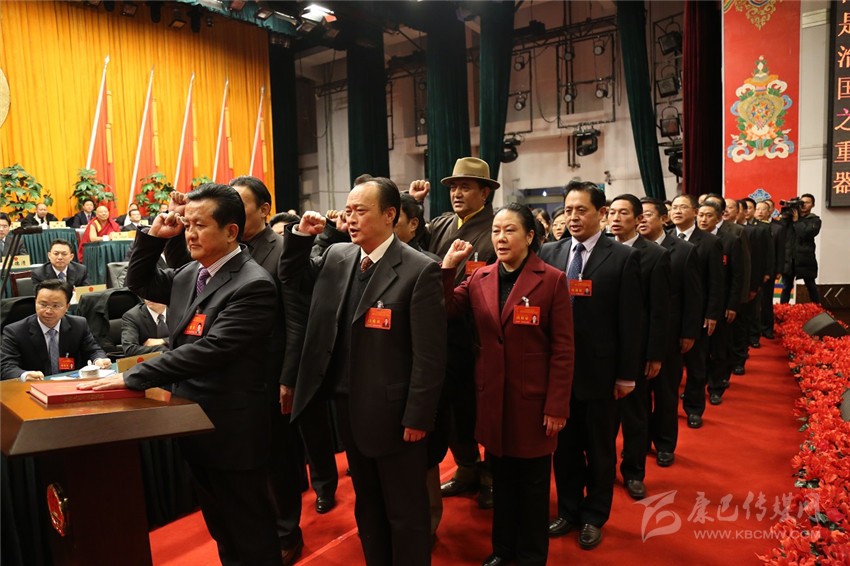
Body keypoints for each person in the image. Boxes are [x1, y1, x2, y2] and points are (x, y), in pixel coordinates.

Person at [79, 184, 283, 565]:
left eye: (199, 225)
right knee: (223, 533)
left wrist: (135, 375)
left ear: (231, 231)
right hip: (194, 424)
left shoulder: (253, 283)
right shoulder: (192, 273)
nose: (190, 234)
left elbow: (211, 350)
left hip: (233, 433)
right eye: (187, 225)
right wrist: (154, 237)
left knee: (251, 534)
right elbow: (139, 282)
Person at [279, 177, 446, 566]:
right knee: (368, 506)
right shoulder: (339, 256)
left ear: (390, 215)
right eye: (348, 210)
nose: (351, 219)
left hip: (396, 414)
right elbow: (294, 278)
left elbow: (429, 356)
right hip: (348, 406)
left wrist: (418, 415)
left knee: (405, 511)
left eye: (361, 211)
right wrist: (301, 237)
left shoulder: (419, 269)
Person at [162, 175, 315, 564]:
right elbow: (180, 282)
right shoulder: (211, 259)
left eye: (241, 204)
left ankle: (287, 532)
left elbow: (295, 320)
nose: (192, 232)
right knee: (231, 507)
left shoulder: (277, 252)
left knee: (274, 467)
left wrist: (289, 376)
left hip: (266, 376)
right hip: (220, 387)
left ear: (261, 210)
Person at [442, 203, 573, 566]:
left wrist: (557, 406)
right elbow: (445, 307)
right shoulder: (480, 277)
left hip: (533, 402)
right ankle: (503, 550)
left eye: (509, 230)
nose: (500, 238)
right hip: (493, 400)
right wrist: (448, 266)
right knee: (501, 481)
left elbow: (563, 349)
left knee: (532, 486)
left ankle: (531, 556)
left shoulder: (552, 279)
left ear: (530, 236)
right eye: (496, 230)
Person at [539, 182, 641, 550]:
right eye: (568, 210)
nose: (573, 217)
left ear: (601, 213)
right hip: (557, 373)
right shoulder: (549, 252)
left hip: (600, 372)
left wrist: (626, 374)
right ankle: (568, 509)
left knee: (599, 450)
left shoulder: (623, 257)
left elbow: (630, 320)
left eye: (581, 210)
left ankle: (594, 516)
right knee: (564, 449)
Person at [408, 157, 499, 512]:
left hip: (477, 335)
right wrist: (415, 205)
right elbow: (413, 243)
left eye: (466, 187)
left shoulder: (495, 228)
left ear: (485, 193)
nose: (457, 194)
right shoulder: (442, 222)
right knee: (452, 412)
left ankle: (490, 476)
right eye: (454, 188)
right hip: (441, 332)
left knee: (480, 410)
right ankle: (466, 467)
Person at [608, 194, 671, 501]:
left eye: (624, 213)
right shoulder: (603, 250)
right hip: (604, 348)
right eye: (612, 212)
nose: (616, 218)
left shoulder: (655, 255)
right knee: (604, 418)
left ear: (638, 219)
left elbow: (660, 310)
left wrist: (655, 354)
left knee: (635, 415)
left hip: (636, 349)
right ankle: (603, 468)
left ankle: (633, 471)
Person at [639, 199, 702, 467]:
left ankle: (665, 444)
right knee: (638, 396)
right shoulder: (629, 249)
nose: (641, 220)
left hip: (670, 335)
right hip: (638, 335)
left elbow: (693, 295)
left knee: (665, 393)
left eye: (647, 215)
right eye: (638, 215)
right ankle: (640, 441)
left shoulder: (684, 250)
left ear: (663, 219)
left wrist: (689, 332)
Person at [669, 194, 724, 430]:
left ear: (694, 212)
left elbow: (716, 281)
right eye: (674, 207)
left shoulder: (710, 242)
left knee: (696, 365)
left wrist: (712, 314)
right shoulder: (665, 238)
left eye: (683, 207)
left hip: (697, 313)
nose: (677, 211)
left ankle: (694, 408)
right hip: (670, 315)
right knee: (671, 368)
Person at [1, 279, 110, 380]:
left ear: (67, 307)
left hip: (70, 384)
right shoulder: (15, 331)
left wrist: (99, 360)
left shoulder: (79, 325)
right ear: (35, 302)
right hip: (33, 386)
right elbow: (6, 366)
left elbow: (93, 350)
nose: (48, 311)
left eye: (56, 306)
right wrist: (25, 375)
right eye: (43, 304)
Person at [696, 200, 743, 406]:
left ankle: (716, 387)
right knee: (699, 352)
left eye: (708, 216)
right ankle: (697, 387)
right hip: (698, 304)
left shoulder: (730, 240)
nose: (703, 219)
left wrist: (732, 304)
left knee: (718, 349)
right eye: (701, 215)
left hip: (721, 304)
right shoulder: (692, 239)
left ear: (718, 218)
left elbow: (737, 276)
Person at [780, 193, 821, 304]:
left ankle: (818, 308)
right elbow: (780, 230)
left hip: (805, 259)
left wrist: (797, 221)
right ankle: (782, 310)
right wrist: (785, 217)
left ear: (813, 205)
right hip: (789, 259)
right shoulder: (790, 218)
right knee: (786, 287)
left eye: (807, 202)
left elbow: (805, 233)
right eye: (802, 202)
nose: (804, 205)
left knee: (811, 285)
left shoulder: (814, 220)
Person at [756, 199, 785, 338]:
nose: (760, 212)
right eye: (757, 209)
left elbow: (780, 251)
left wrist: (779, 270)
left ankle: (767, 329)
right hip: (755, 270)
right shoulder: (750, 227)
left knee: (766, 300)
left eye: (763, 209)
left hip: (770, 269)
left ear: (770, 211)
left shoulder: (777, 228)